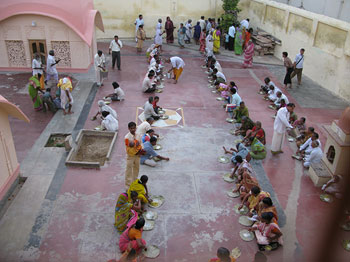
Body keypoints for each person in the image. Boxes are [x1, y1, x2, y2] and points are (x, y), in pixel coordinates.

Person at [124, 122, 143, 188]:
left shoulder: (138, 135)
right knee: (128, 170)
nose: (133, 130)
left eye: (134, 128)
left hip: (137, 155)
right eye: (131, 128)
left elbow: (141, 143)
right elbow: (128, 146)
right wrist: (133, 145)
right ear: (129, 128)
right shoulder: (127, 137)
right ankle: (128, 186)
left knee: (136, 168)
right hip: (130, 156)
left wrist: (141, 150)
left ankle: (134, 182)